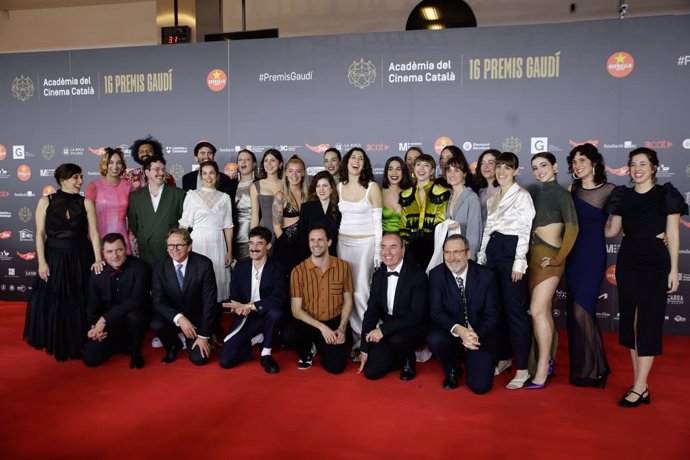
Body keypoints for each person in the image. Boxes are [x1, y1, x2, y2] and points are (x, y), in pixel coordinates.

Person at [605, 148, 686, 407]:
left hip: (655, 263)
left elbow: (673, 234)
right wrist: (580, 225)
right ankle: (641, 384)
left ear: (654, 167)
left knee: (648, 323)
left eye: (643, 163)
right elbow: (613, 231)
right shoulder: (623, 195)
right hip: (628, 261)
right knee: (630, 323)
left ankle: (639, 386)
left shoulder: (666, 195)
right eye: (633, 164)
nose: (637, 168)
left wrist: (674, 270)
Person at [24, 163, 104, 361]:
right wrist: (42, 262)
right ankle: (58, 339)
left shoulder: (86, 202)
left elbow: (94, 234)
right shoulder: (46, 201)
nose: (80, 181)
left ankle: (80, 339)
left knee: (79, 298)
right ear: (63, 180)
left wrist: (98, 258)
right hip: (54, 257)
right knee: (57, 299)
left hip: (80, 257)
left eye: (81, 177)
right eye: (75, 177)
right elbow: (40, 234)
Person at [477, 152, 535, 389]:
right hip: (493, 250)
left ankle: (522, 369)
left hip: (512, 251)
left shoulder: (522, 195)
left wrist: (519, 261)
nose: (501, 171)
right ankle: (502, 358)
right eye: (498, 166)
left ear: (515, 171)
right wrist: (482, 254)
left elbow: (525, 229)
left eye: (506, 168)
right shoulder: (494, 197)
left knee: (515, 312)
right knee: (495, 310)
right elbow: (489, 227)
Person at [525, 152, 579, 389]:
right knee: (543, 312)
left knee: (536, 311)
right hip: (533, 260)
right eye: (535, 167)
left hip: (550, 261)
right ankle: (546, 360)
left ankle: (543, 367)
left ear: (555, 167)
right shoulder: (535, 194)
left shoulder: (561, 194)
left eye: (543, 165)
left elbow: (573, 228)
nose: (539, 171)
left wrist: (558, 259)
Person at [565, 143, 616, 388]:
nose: (578, 165)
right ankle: (592, 368)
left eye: (582, 160)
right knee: (578, 312)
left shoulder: (610, 190)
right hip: (572, 255)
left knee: (581, 310)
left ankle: (596, 367)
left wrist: (661, 234)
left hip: (593, 255)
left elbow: (615, 230)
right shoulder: (571, 189)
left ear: (594, 163)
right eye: (574, 162)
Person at [427, 235, 498, 393]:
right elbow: (436, 312)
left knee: (480, 387)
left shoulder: (486, 276)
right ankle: (452, 369)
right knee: (434, 338)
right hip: (453, 335)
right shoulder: (436, 275)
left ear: (468, 254)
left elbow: (491, 315)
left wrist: (473, 335)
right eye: (447, 253)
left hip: (478, 337)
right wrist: (460, 331)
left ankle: (473, 361)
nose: (451, 258)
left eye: (457, 252)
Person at [283, 224, 353, 374]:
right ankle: (308, 349)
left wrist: (341, 327)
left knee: (335, 367)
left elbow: (348, 300)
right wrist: (321, 328)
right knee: (288, 334)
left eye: (320, 240)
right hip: (309, 322)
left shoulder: (343, 266)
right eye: (312, 240)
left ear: (329, 242)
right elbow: (296, 310)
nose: (316, 244)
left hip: (334, 321)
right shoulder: (298, 271)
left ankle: (322, 346)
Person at [357, 233, 428, 381]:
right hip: (390, 329)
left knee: (398, 339)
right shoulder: (378, 276)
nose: (387, 252)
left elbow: (416, 316)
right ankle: (399, 358)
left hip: (413, 328)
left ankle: (409, 359)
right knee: (371, 373)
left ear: (403, 250)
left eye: (393, 247)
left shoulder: (417, 275)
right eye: (383, 247)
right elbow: (371, 314)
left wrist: (382, 329)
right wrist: (364, 349)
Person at [219, 226, 288, 373]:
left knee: (276, 313)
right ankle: (254, 340)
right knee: (225, 361)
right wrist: (237, 306)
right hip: (246, 317)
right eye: (251, 243)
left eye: (259, 243)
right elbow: (235, 296)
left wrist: (249, 306)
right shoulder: (240, 267)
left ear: (268, 246)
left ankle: (266, 353)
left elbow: (278, 299)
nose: (254, 248)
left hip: (267, 315)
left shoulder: (278, 268)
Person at [337, 147, 383, 351]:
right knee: (347, 292)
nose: (356, 161)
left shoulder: (372, 187)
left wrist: (377, 253)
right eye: (353, 157)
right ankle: (355, 341)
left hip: (366, 245)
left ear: (364, 164)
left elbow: (378, 222)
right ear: (346, 162)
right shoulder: (338, 187)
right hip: (343, 244)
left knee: (362, 292)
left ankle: (369, 339)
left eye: (360, 158)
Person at [83, 233, 151, 369]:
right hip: (111, 325)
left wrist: (103, 319)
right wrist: (94, 328)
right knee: (90, 359)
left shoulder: (140, 267)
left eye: (119, 250)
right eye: (109, 251)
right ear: (103, 254)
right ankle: (121, 344)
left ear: (126, 248)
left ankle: (135, 351)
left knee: (135, 316)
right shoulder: (98, 272)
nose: (115, 255)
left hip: (133, 319)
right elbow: (92, 305)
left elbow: (136, 300)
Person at [151, 228, 218, 365]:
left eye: (179, 245)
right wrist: (179, 318)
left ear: (189, 247)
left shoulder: (204, 264)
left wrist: (203, 335)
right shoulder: (159, 266)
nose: (174, 249)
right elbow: (158, 300)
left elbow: (209, 302)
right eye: (170, 245)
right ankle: (174, 345)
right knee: (156, 324)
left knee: (200, 359)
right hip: (173, 316)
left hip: (196, 319)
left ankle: (206, 336)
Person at [179, 160, 233, 303]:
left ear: (217, 176)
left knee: (216, 284)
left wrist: (230, 251)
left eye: (212, 173)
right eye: (205, 173)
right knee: (197, 281)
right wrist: (181, 247)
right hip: (198, 243)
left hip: (218, 243)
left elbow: (228, 226)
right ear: (200, 176)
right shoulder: (192, 196)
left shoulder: (225, 198)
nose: (208, 177)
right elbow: (184, 225)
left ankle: (213, 319)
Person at [127, 156, 186, 267]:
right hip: (146, 253)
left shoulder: (178, 194)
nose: (161, 173)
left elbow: (186, 225)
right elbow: (134, 225)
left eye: (163, 169)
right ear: (147, 172)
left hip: (172, 253)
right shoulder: (135, 197)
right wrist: (143, 238)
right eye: (157, 169)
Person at [400, 153, 450, 269]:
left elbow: (442, 222)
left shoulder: (442, 193)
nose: (421, 169)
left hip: (435, 246)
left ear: (432, 170)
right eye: (418, 165)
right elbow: (403, 227)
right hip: (411, 249)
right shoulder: (405, 195)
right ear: (414, 168)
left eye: (426, 165)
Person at [85, 147, 132, 253]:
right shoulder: (94, 186)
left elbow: (133, 215)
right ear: (105, 164)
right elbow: (86, 217)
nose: (115, 166)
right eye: (111, 162)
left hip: (122, 240)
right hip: (99, 240)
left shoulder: (128, 186)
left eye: (119, 163)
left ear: (122, 165)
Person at [272, 155, 308, 273]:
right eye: (291, 171)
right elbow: (276, 227)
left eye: (298, 171)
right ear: (286, 173)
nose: (294, 175)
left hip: (305, 247)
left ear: (303, 173)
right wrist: (286, 248)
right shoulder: (280, 196)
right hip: (286, 247)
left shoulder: (308, 195)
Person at [444, 155, 483, 257]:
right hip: (451, 256)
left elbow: (474, 233)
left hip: (465, 257)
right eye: (449, 170)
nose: (452, 174)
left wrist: (470, 259)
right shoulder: (450, 197)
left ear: (464, 174)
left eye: (456, 170)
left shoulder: (472, 198)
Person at [297, 170, 340, 260]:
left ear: (331, 189)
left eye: (325, 185)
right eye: (318, 186)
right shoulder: (306, 208)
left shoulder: (340, 208)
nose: (321, 189)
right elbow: (302, 238)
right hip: (311, 258)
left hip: (334, 258)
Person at [250, 149, 284, 248]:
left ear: (280, 164)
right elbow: (254, 217)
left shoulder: (287, 184)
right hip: (264, 233)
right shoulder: (256, 186)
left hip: (284, 231)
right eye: (266, 160)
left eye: (273, 160)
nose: (269, 163)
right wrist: (253, 240)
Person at [233, 149, 258, 261]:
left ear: (254, 164)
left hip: (256, 234)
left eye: (247, 159)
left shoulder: (260, 184)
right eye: (240, 160)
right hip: (234, 236)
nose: (243, 162)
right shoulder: (229, 186)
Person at [381, 156, 412, 233]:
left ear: (403, 172)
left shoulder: (410, 193)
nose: (394, 173)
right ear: (386, 172)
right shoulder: (378, 193)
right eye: (390, 169)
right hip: (384, 241)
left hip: (405, 240)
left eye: (398, 169)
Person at [472, 149, 501, 226]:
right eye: (483, 163)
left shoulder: (504, 191)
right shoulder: (480, 191)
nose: (486, 166)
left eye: (490, 163)